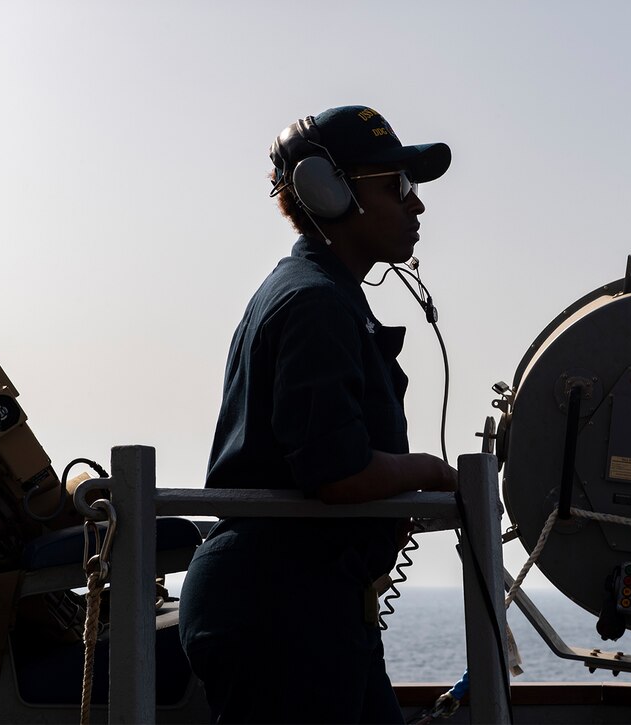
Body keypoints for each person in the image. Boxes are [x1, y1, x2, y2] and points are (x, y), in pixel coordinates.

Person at [178, 105, 458, 724]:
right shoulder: (315, 304)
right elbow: (337, 471)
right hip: (281, 614)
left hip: (316, 608)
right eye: (397, 186)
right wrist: (434, 474)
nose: (416, 206)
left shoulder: (326, 295)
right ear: (329, 194)